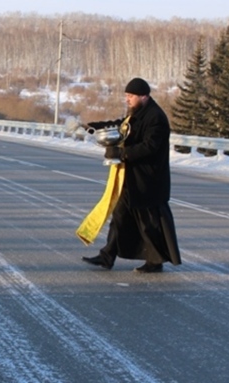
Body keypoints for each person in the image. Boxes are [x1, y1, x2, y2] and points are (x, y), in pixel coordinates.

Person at [82, 78, 182, 272]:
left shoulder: (155, 117)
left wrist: (121, 154)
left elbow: (150, 146)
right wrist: (96, 126)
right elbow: (121, 127)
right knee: (119, 216)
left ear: (144, 97)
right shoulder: (137, 114)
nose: (127, 100)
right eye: (126, 96)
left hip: (149, 181)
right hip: (132, 179)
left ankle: (155, 262)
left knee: (148, 223)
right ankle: (106, 256)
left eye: (131, 96)